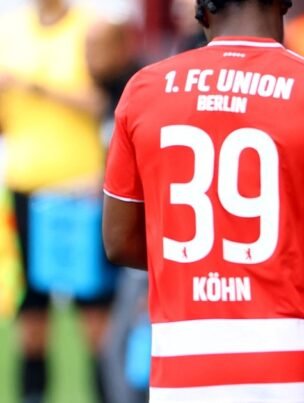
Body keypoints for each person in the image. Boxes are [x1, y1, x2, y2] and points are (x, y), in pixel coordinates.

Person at [101, 1, 304, 402]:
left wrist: (211, 260)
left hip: (184, 366)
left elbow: (119, 242)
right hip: (297, 367)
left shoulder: (145, 89)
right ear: (285, 3)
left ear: (202, 9)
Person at [0, 1, 112, 402]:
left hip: (79, 192)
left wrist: (36, 86)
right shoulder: (10, 31)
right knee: (29, 316)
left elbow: (106, 102)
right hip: (25, 189)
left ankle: (106, 393)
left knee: (94, 316)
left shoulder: (92, 29)